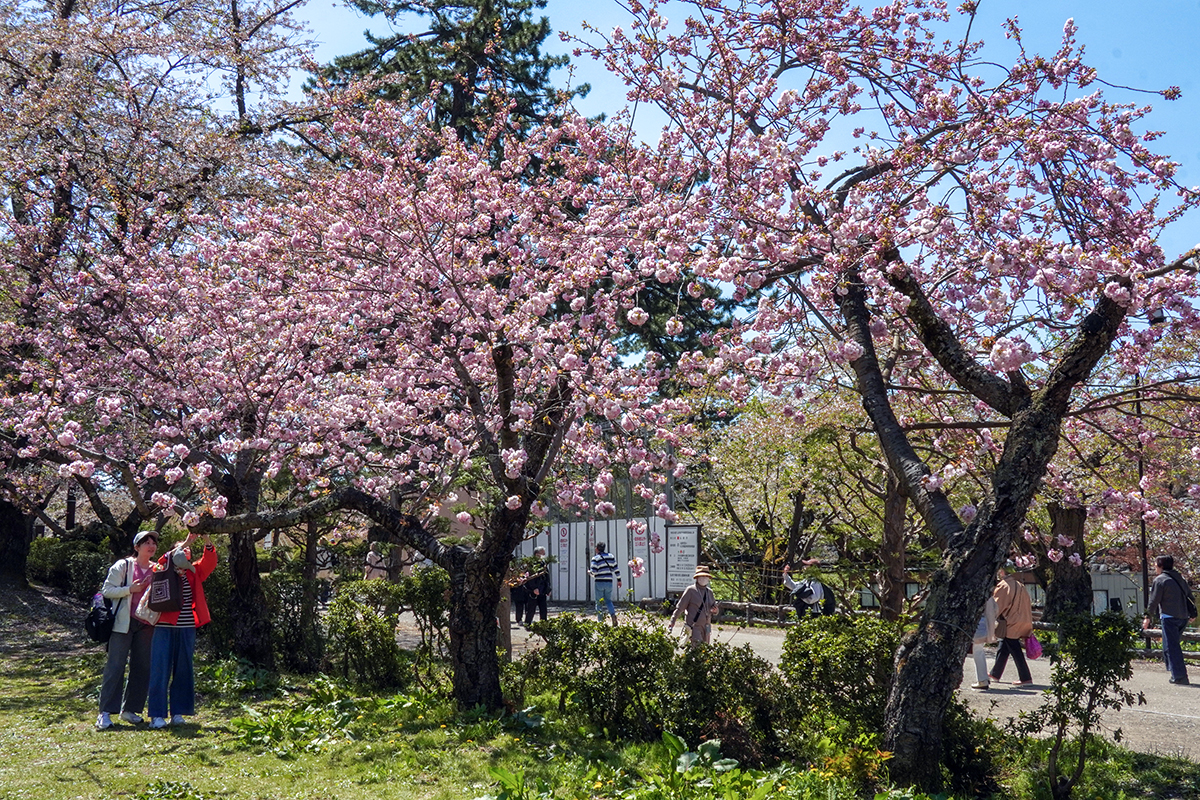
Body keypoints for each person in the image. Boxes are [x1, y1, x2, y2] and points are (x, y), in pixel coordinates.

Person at [147, 532, 217, 728]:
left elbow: (209, 562)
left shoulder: (193, 571)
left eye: (188, 550)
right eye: (182, 548)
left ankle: (178, 712)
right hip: (164, 626)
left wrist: (206, 541)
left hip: (186, 626)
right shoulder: (163, 567)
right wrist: (186, 541)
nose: (186, 550)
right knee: (160, 669)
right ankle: (157, 715)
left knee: (183, 669)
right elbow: (164, 558)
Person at [96, 531, 159, 729]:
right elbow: (107, 590)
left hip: (147, 624)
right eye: (146, 543)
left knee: (142, 667)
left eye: (153, 543)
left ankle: (130, 710)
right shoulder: (123, 566)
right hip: (123, 623)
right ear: (136, 547)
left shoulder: (157, 568)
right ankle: (105, 712)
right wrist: (130, 589)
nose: (150, 546)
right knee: (115, 666)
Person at [1143, 554, 1197, 685]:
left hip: (1169, 617)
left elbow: (1153, 601)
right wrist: (1192, 613)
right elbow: (1190, 596)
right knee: (1169, 645)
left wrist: (1147, 618)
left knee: (1172, 647)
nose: (1154, 567)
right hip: (1183, 617)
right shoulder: (1180, 578)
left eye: (1155, 564)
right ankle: (1174, 671)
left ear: (1160, 565)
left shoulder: (1160, 580)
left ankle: (1179, 675)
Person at [988, 563, 1034, 687]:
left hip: (1011, 621)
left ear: (1002, 572)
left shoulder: (1004, 586)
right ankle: (995, 673)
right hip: (1023, 620)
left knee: (1014, 648)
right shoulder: (1020, 585)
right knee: (1004, 644)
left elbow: (997, 606)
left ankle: (1025, 678)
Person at [669, 566, 719, 644]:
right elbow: (680, 607)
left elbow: (715, 607)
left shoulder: (709, 592)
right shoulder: (691, 590)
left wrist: (715, 610)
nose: (704, 579)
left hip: (706, 627)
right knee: (696, 649)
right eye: (702, 576)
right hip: (693, 627)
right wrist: (673, 620)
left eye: (706, 577)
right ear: (697, 578)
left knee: (705, 650)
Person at [968, 595, 999, 690]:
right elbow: (996, 609)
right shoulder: (989, 596)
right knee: (979, 652)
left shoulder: (976, 594)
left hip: (978, 626)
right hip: (985, 626)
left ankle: (982, 680)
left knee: (977, 652)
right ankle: (983, 678)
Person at [589, 541, 621, 626]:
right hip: (609, 582)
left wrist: (589, 573)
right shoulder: (611, 557)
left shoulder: (595, 558)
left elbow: (594, 572)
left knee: (599, 602)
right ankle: (613, 615)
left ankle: (600, 621)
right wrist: (619, 580)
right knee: (608, 600)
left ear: (597, 549)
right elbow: (616, 569)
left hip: (599, 582)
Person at [523, 546, 552, 625]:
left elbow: (547, 577)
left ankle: (544, 625)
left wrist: (548, 589)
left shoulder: (543, 564)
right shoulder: (531, 564)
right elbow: (529, 578)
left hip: (542, 590)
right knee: (531, 609)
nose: (543, 555)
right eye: (542, 554)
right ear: (536, 554)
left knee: (543, 609)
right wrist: (534, 588)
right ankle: (527, 624)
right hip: (533, 591)